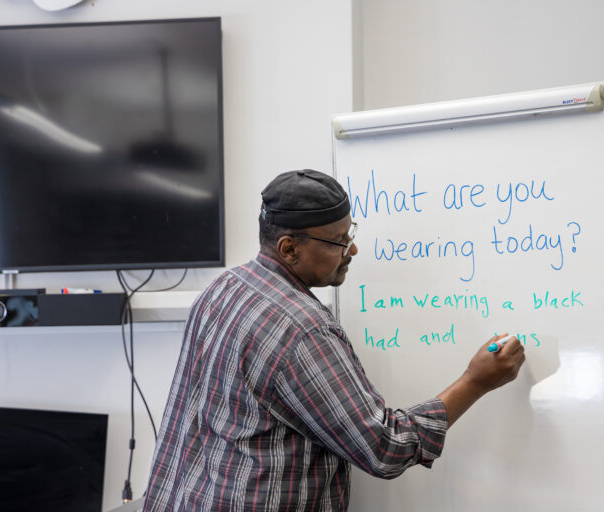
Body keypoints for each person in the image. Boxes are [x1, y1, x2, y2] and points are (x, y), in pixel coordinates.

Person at [143, 169, 525, 511]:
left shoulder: (223, 287)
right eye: (339, 241)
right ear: (289, 248)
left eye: (350, 233)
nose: (352, 249)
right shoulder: (302, 332)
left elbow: (186, 423)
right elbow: (385, 448)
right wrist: (475, 382)